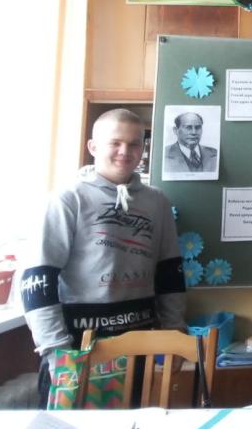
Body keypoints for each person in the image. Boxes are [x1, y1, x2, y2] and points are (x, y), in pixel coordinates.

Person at [20, 108, 186, 407]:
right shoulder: (67, 199)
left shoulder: (157, 202)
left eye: (134, 144)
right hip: (77, 347)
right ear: (93, 147)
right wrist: (57, 351)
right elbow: (38, 280)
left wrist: (173, 335)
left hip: (139, 344)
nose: (125, 151)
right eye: (115, 143)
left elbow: (170, 272)